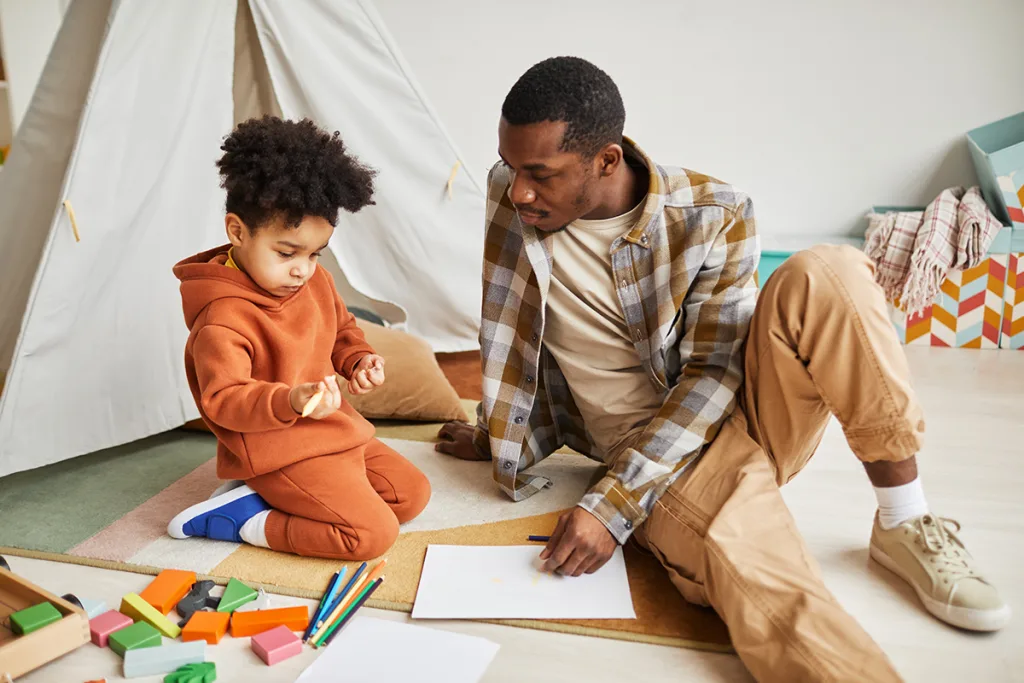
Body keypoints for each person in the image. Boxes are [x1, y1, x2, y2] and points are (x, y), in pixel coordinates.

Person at [435, 56, 1009, 681]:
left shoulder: (715, 212)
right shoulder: (510, 194)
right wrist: (502, 432)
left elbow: (713, 372)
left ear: (606, 160)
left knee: (830, 272)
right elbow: (512, 330)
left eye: (539, 174)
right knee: (775, 591)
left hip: (739, 403)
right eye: (510, 166)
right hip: (653, 446)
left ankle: (904, 517)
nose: (517, 190)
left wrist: (611, 504)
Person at [168, 116, 430, 560]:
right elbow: (224, 399)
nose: (303, 269)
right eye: (287, 253)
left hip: (334, 431)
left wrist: (358, 359)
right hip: (277, 451)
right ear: (237, 232)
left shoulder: (314, 282)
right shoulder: (222, 319)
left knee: (412, 495)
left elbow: (342, 329)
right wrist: (289, 400)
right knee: (371, 536)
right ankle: (248, 520)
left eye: (315, 254)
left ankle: (268, 498)